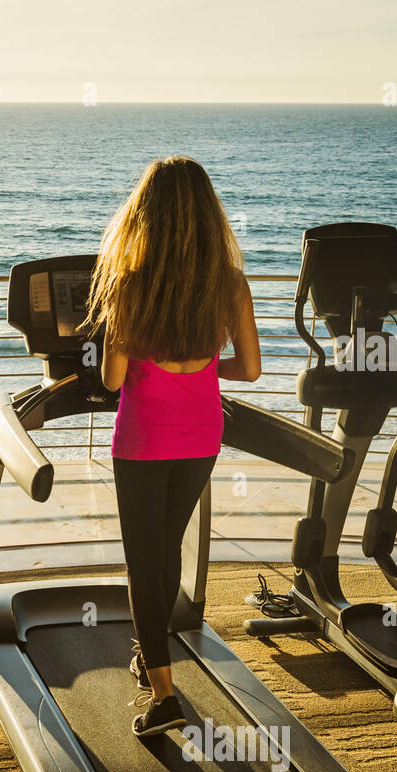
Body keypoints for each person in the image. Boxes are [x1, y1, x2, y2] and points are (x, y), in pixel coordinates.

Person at [86, 155, 261, 738]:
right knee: (165, 552)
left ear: (146, 215)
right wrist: (205, 371)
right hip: (200, 437)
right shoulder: (229, 285)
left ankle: (164, 694)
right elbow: (252, 369)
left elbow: (112, 380)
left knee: (145, 560)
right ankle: (150, 654)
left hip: (142, 441)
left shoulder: (131, 285)